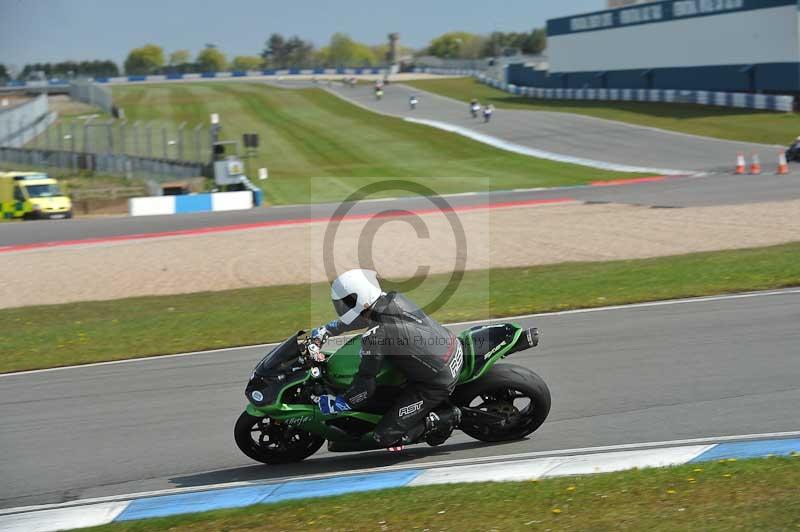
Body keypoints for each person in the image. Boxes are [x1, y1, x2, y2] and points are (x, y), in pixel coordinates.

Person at [310, 269, 462, 449]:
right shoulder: (391, 299)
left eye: (346, 303)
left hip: (436, 382)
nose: (342, 307)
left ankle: (447, 417)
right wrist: (327, 330)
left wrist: (342, 403)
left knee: (384, 437)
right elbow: (363, 317)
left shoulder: (376, 336)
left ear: (361, 299)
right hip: (451, 347)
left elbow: (365, 388)